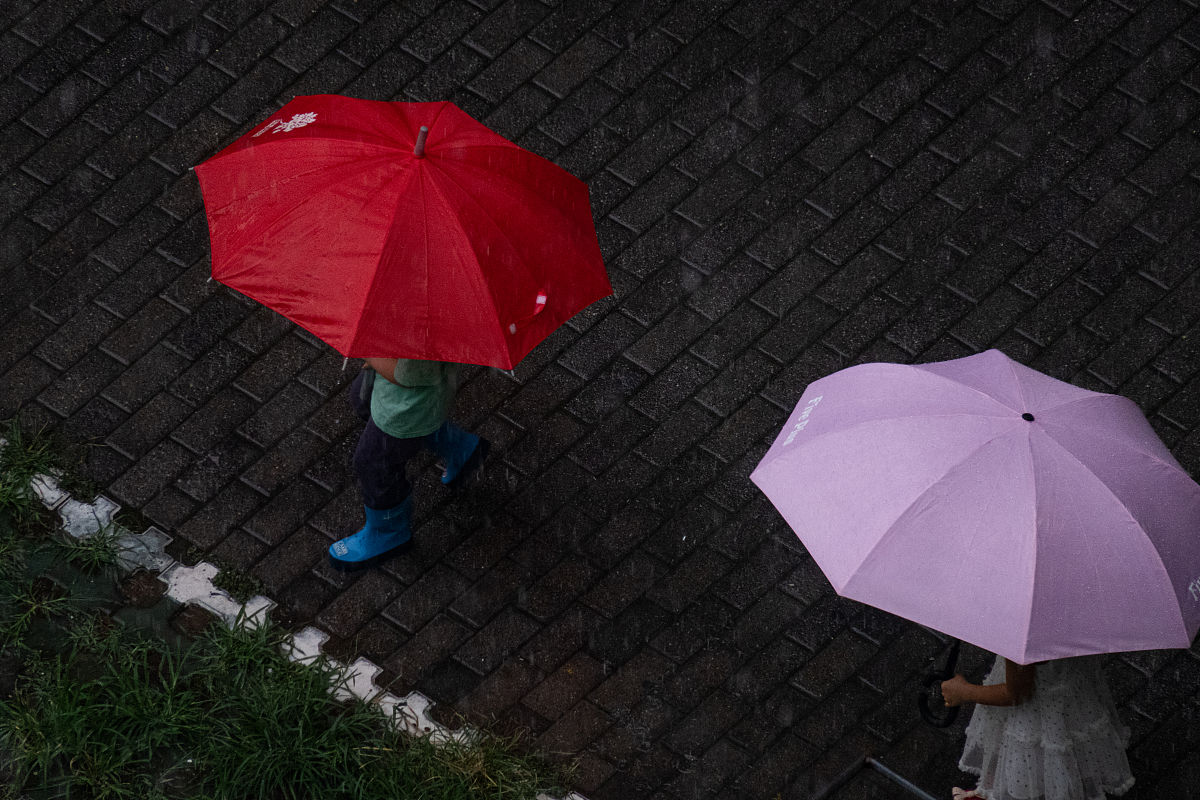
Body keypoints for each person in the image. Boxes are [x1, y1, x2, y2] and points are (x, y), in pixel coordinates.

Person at [328, 357, 489, 570]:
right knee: (363, 399)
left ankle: (389, 531)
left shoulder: (423, 344)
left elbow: (406, 375)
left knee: (373, 464)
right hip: (404, 394)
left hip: (405, 409)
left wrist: (371, 355)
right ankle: (458, 447)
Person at [941, 655, 1134, 800]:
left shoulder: (1022, 638)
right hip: (1069, 697)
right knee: (1066, 747)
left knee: (1027, 754)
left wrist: (964, 691)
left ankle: (1023, 790)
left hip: (1033, 711)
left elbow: (1017, 693)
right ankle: (1069, 782)